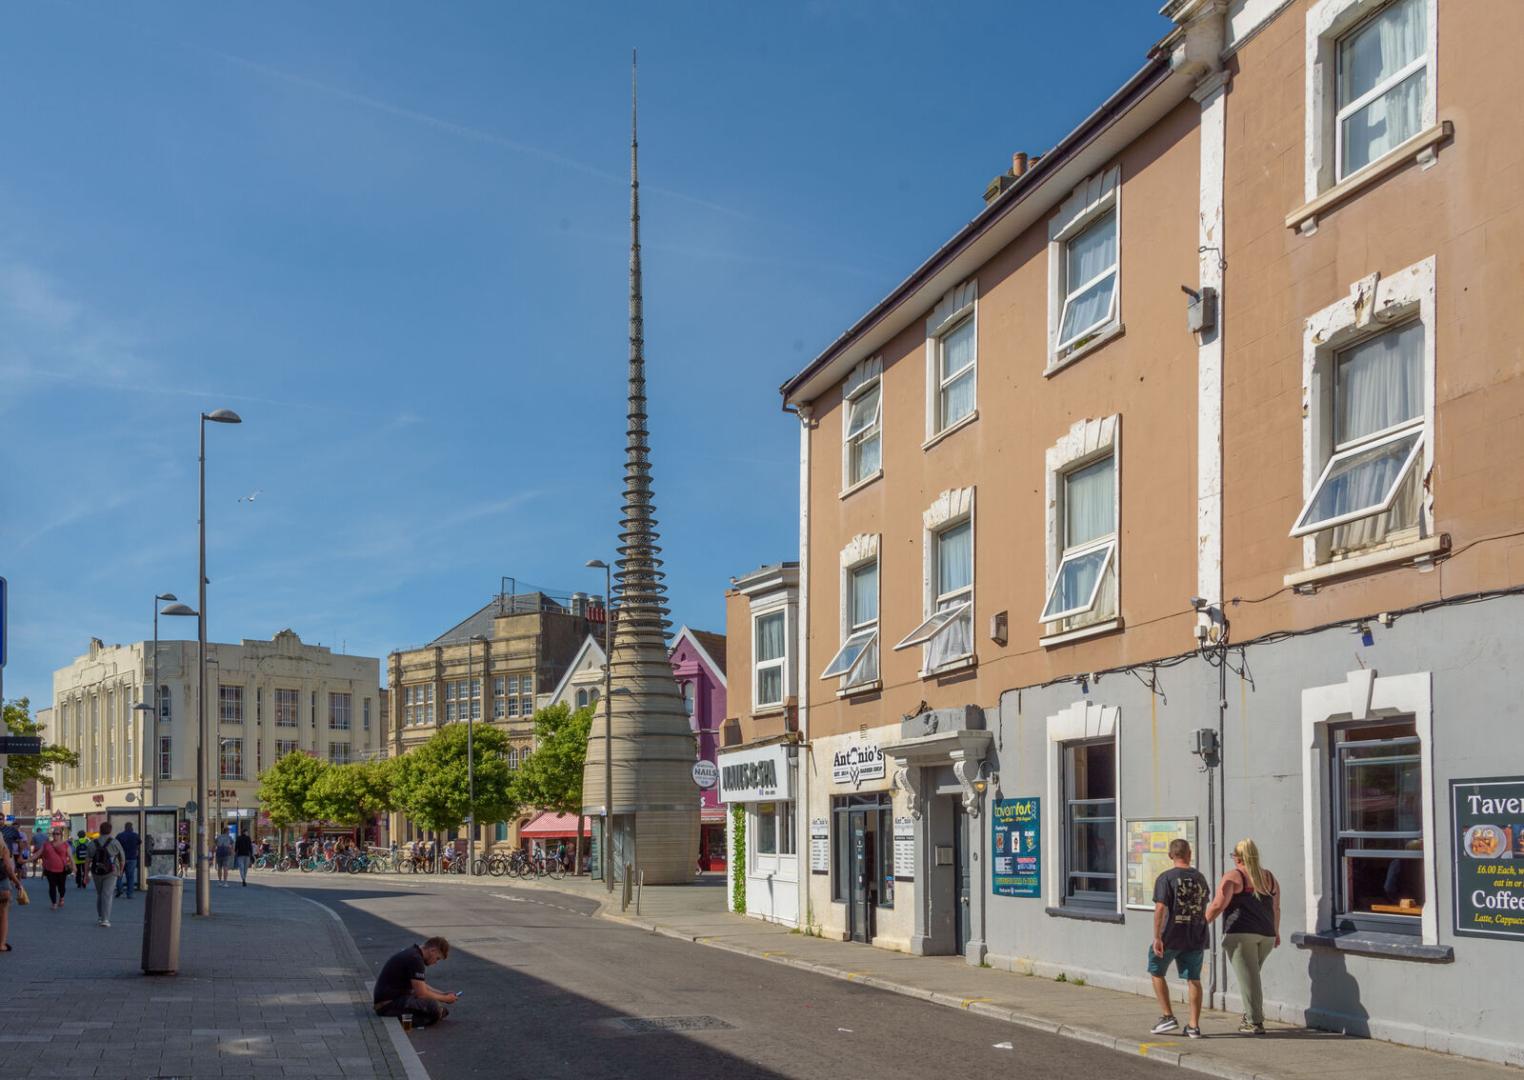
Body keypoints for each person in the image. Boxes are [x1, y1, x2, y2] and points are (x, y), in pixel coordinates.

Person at [1205, 838, 1281, 1035]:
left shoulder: (1235, 876)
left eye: (1234, 857)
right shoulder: (1270, 878)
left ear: (1238, 858)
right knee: (1251, 978)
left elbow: (1217, 905)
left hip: (1241, 934)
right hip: (1267, 935)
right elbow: (1275, 908)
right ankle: (1250, 1016)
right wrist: (1276, 932)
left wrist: (1201, 924)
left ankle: (1255, 1022)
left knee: (1250, 981)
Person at [1149, 838, 1211, 1039]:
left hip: (1171, 935)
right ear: (1189, 854)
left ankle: (1168, 1016)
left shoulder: (1166, 878)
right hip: (1195, 935)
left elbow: (1160, 909)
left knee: (1156, 970)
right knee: (1194, 979)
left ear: (1170, 855)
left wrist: (1157, 937)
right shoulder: (1200, 878)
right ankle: (1193, 1025)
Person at [372, 936, 458, 1027]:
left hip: (392, 1000)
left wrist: (443, 994)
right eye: (437, 958)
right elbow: (422, 993)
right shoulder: (415, 959)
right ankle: (417, 1017)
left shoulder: (413, 953)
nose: (435, 962)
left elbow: (421, 985)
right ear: (432, 951)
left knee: (433, 1005)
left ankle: (432, 1013)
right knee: (433, 1006)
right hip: (388, 1005)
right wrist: (446, 999)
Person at [90, 821, 125, 928]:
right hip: (112, 871)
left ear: (100, 830)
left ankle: (100, 916)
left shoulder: (93, 842)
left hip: (96, 872)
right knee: (107, 895)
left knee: (100, 894)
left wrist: (85, 874)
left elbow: (87, 859)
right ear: (110, 830)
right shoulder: (115, 842)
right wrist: (121, 872)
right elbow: (122, 859)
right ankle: (105, 919)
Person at [40, 830, 73, 910]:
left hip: (62, 870)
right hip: (50, 869)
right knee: (52, 887)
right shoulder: (46, 844)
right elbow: (39, 854)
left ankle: (61, 897)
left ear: (61, 835)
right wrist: (26, 860)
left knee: (62, 887)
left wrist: (74, 867)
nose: (55, 835)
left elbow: (71, 857)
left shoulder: (65, 845)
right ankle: (54, 903)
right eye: (54, 834)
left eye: (57, 834)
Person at [0, 836, 21, 952]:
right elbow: (8, 868)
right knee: (3, 914)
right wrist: (17, 883)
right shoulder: (3, 848)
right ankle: (2, 944)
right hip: (2, 884)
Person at [115, 822, 142, 900]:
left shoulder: (120, 835)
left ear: (125, 827)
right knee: (130, 877)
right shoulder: (135, 835)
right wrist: (135, 848)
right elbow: (139, 843)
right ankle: (129, 894)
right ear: (131, 827)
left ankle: (120, 889)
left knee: (119, 875)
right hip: (132, 858)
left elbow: (115, 844)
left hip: (121, 859)